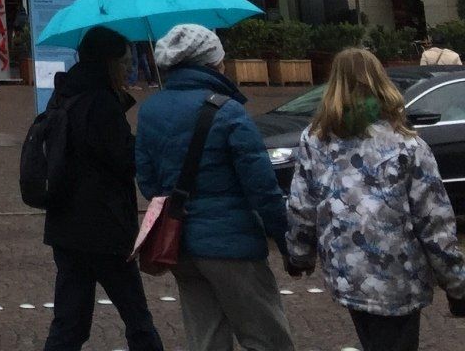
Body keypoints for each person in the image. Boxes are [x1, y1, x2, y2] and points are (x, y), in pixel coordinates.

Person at [284, 46, 465, 351]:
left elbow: (302, 205)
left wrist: (299, 255)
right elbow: (434, 221)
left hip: (347, 272)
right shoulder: (406, 144)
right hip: (398, 275)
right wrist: (456, 283)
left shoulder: (315, 139)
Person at [135, 23, 296, 351]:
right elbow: (262, 188)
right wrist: (286, 240)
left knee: (206, 340)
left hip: (179, 243)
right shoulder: (228, 111)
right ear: (212, 63)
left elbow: (149, 183)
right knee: (266, 338)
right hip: (232, 242)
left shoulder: (150, 110)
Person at [39, 25, 165, 350]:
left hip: (66, 224)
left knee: (69, 324)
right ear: (108, 63)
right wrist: (143, 143)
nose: (127, 69)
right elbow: (121, 158)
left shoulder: (64, 94)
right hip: (104, 226)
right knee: (137, 319)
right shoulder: (100, 103)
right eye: (124, 62)